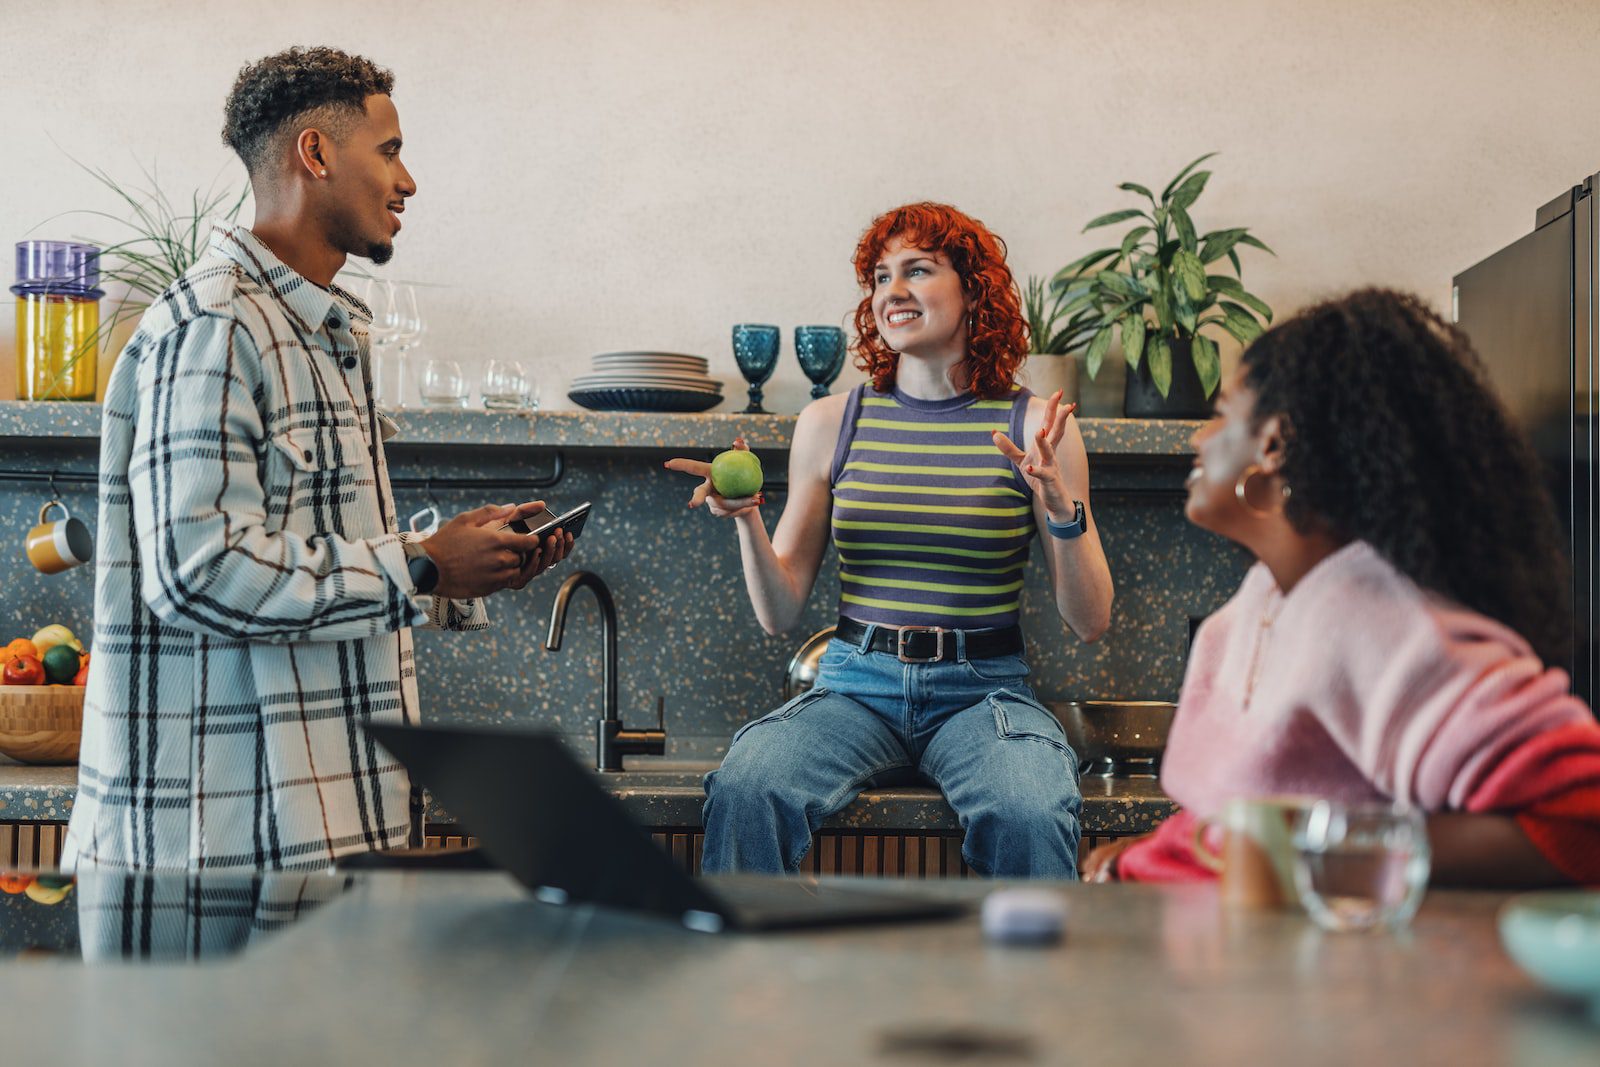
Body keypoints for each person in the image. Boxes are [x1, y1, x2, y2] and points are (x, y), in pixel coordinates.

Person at [62, 47, 571, 872]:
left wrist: (456, 567)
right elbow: (199, 569)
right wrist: (422, 567)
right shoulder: (217, 327)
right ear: (316, 153)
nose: (409, 184)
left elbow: (304, 565)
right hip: (214, 857)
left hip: (315, 837)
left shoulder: (318, 332)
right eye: (392, 152)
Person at [1083, 289, 1600, 887]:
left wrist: (1315, 854)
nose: (1200, 439)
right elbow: (1241, 825)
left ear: (1273, 444)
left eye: (1223, 414)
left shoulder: (1380, 621)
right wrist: (1145, 858)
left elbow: (1580, 821)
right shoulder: (1258, 603)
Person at [668, 202, 1114, 878]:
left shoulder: (1036, 426)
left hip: (982, 693)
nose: (891, 291)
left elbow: (1090, 620)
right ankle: (748, 980)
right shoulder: (830, 423)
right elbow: (779, 610)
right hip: (854, 687)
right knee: (749, 783)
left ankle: (1030, 987)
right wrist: (747, 519)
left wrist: (1059, 505)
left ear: (974, 291)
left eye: (918, 270)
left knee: (1029, 808)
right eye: (880, 277)